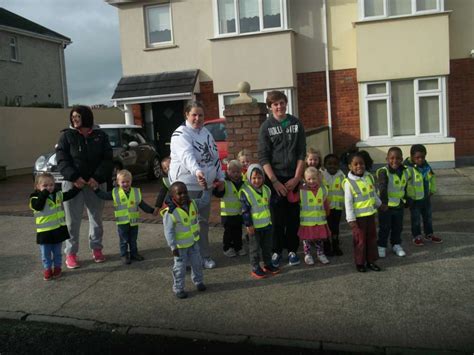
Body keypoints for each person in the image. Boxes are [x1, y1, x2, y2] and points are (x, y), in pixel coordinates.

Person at [168, 101, 225, 269]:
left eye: (200, 115)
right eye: (194, 114)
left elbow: (214, 157)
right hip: (186, 186)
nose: (197, 118)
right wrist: (198, 172)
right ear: (186, 115)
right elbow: (187, 156)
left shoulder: (206, 132)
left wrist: (220, 176)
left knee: (202, 224)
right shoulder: (180, 134)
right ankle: (183, 259)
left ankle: (203, 256)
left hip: (204, 186)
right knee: (184, 225)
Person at [56, 105, 113, 269]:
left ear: (86, 117)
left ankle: (96, 249)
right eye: (73, 116)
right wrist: (74, 177)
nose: (74, 119)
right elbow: (62, 159)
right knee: (72, 222)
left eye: (77, 116)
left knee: (96, 219)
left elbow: (107, 159)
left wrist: (97, 178)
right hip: (73, 184)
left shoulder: (100, 135)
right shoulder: (66, 136)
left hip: (95, 184)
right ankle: (71, 254)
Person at [258, 91, 306, 268]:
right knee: (277, 219)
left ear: (286, 103)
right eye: (275, 104)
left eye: (282, 103)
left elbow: (301, 152)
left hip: (293, 179)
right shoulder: (266, 127)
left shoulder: (295, 123)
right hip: (274, 180)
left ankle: (293, 250)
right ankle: (276, 251)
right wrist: (275, 181)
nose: (279, 107)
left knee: (293, 218)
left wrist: (297, 177)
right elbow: (263, 157)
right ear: (270, 107)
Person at [95, 170, 156, 264]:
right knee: (123, 240)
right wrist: (96, 189)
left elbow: (142, 205)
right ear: (118, 182)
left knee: (133, 239)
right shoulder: (115, 192)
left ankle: (134, 254)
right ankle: (124, 255)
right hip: (122, 223)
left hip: (133, 222)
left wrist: (152, 211)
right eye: (123, 182)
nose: (125, 184)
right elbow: (104, 196)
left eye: (128, 181)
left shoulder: (136, 192)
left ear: (131, 181)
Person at [161, 181, 209, 299]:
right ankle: (179, 288)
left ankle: (198, 281)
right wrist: (173, 247)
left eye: (185, 192)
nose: (183, 195)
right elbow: (169, 232)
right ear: (173, 196)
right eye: (179, 193)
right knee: (180, 269)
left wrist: (206, 190)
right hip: (180, 247)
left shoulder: (192, 203)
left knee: (197, 264)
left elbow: (204, 201)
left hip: (193, 243)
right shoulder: (170, 213)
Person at [29, 173, 80, 280]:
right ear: (37, 186)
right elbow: (38, 206)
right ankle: (47, 269)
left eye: (51, 185)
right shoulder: (34, 197)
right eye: (45, 185)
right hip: (45, 232)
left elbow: (68, 195)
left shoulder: (57, 194)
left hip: (58, 230)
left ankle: (57, 268)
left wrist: (77, 188)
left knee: (57, 252)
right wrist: (44, 193)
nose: (49, 188)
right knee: (46, 254)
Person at [343, 152, 384, 272]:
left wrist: (380, 205)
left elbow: (373, 194)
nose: (359, 166)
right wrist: (351, 219)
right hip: (358, 219)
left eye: (361, 163)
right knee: (360, 241)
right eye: (355, 164)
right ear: (350, 167)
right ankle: (360, 263)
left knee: (371, 239)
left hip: (370, 215)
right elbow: (348, 203)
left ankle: (371, 261)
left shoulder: (369, 177)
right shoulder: (348, 183)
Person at [240, 164, 279, 279]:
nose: (257, 180)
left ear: (263, 178)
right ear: (249, 178)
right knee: (254, 248)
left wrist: (278, 199)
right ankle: (255, 267)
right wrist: (249, 224)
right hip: (254, 227)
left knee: (267, 247)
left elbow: (270, 203)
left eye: (260, 178)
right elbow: (245, 211)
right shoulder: (245, 191)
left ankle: (268, 264)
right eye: (254, 178)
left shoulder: (267, 189)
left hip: (267, 224)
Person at [288, 167, 331, 265]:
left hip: (320, 221)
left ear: (318, 178)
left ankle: (320, 254)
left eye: (314, 178)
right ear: (304, 179)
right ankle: (307, 255)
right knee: (306, 240)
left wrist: (327, 211)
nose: (311, 181)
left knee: (319, 239)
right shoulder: (302, 191)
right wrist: (290, 191)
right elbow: (293, 199)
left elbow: (325, 202)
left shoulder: (322, 190)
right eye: (309, 179)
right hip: (307, 223)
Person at [404, 144, 442, 246]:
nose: (420, 160)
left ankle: (429, 234)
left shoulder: (426, 166)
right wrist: (406, 197)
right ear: (412, 156)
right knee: (416, 219)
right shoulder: (407, 168)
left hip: (426, 198)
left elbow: (432, 177)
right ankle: (416, 236)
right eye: (417, 157)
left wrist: (432, 189)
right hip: (414, 200)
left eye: (423, 157)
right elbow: (403, 183)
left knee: (428, 217)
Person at [376, 147, 409, 258]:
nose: (395, 161)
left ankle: (396, 245)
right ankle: (381, 246)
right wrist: (383, 204)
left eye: (398, 158)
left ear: (402, 159)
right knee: (385, 227)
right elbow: (382, 188)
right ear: (387, 159)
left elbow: (405, 187)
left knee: (398, 227)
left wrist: (407, 199)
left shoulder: (405, 171)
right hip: (386, 206)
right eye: (392, 158)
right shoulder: (383, 171)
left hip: (399, 205)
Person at [213, 160, 246, 257]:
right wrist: (219, 187)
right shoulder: (224, 182)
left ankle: (238, 247)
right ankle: (227, 248)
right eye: (233, 172)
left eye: (238, 172)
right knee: (228, 233)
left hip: (239, 213)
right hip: (227, 214)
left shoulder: (243, 183)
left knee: (238, 231)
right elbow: (218, 194)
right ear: (228, 171)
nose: (236, 174)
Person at [322, 154, 345, 256]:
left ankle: (335, 245)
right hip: (326, 208)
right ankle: (326, 246)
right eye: (329, 164)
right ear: (325, 165)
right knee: (326, 227)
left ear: (339, 165)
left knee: (335, 227)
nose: (332, 166)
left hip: (337, 207)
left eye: (335, 164)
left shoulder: (342, 176)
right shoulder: (321, 176)